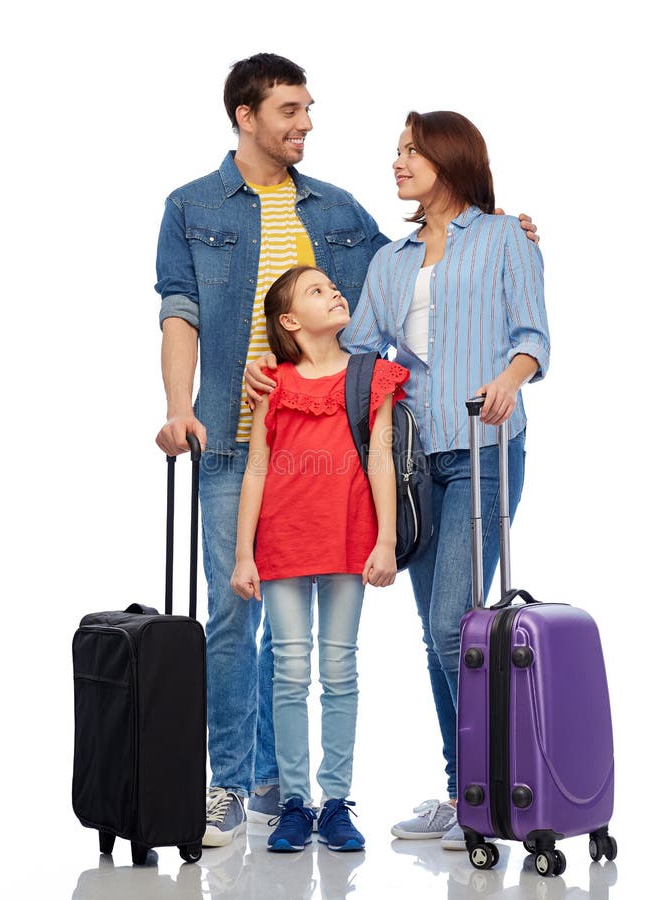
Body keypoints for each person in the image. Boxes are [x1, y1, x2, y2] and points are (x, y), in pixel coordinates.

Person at [154, 49, 540, 847]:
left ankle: (359, 789)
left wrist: (511, 235)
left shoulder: (339, 213)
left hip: (350, 450)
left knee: (378, 638)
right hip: (236, 432)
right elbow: (181, 310)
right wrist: (176, 406)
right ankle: (241, 785)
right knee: (240, 616)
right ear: (246, 116)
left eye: (308, 109)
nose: (307, 124)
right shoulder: (191, 206)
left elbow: (377, 312)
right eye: (290, 110)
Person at [244, 110, 550, 851]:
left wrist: (511, 378)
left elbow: (533, 337)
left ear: (448, 158)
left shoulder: (506, 239)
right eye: (398, 151)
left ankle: (487, 787)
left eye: (410, 151)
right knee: (434, 630)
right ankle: (462, 788)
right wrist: (274, 367)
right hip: (416, 464)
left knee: (455, 625)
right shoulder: (392, 262)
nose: (398, 162)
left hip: (484, 446)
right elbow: (344, 344)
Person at [231, 265, 408, 852]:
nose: (334, 291)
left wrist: (385, 540)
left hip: (347, 541)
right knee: (288, 673)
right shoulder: (271, 385)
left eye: (334, 285)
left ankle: (335, 802)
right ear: (289, 321)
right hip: (282, 544)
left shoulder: (371, 377)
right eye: (317, 290)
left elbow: (381, 458)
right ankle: (293, 804)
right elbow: (256, 468)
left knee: (338, 671)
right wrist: (243, 555)